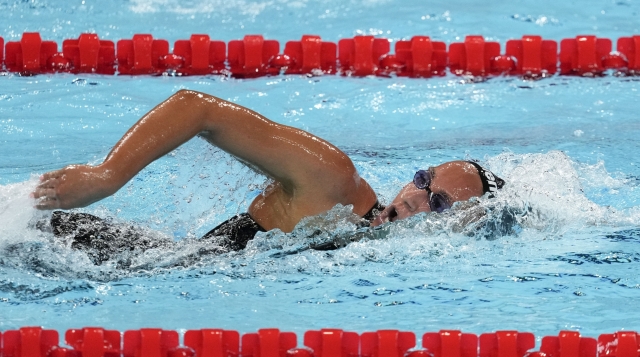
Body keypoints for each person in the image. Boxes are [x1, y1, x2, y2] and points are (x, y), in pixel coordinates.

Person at [31, 89, 504, 258]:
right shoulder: (335, 184)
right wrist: (106, 176)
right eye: (424, 182)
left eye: (439, 203)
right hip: (92, 252)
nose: (419, 199)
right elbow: (195, 108)